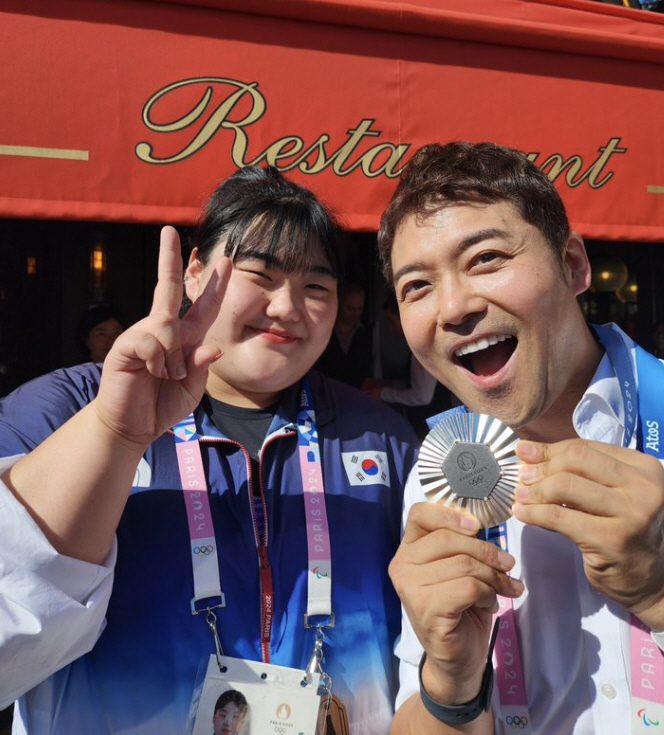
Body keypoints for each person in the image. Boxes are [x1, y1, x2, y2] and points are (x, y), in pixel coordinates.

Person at [0, 166, 418, 734]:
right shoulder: (62, 410)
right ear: (195, 271)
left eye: (316, 287)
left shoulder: (381, 436)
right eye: (260, 275)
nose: (288, 308)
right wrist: (113, 434)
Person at [377, 141, 664, 734]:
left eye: (484, 258)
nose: (452, 307)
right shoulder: (436, 485)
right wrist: (450, 680)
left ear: (574, 265)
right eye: (416, 287)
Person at [315, 282, 373, 387]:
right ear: (339, 303)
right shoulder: (324, 329)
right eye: (350, 308)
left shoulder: (365, 331)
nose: (355, 314)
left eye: (359, 308)